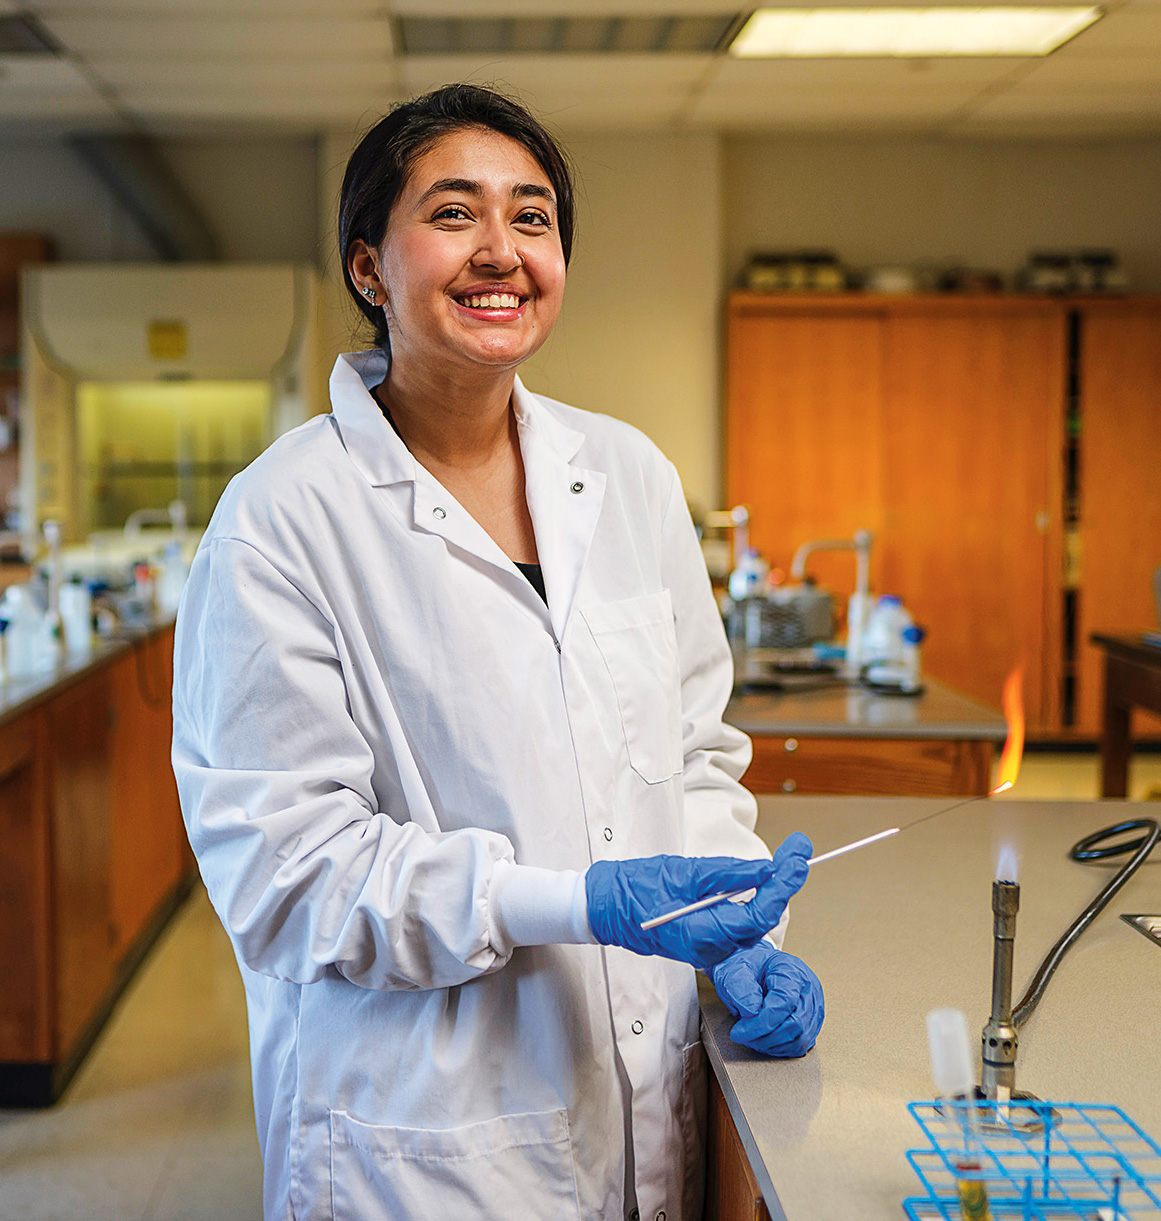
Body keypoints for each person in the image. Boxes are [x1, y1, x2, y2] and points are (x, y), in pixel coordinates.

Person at [171, 83, 824, 1221]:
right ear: (369, 268)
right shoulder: (282, 518)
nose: (502, 251)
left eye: (533, 218)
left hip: (644, 1092)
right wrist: (573, 902)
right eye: (455, 213)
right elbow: (289, 878)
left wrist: (737, 934)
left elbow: (695, 759)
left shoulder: (629, 477)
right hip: (418, 1139)